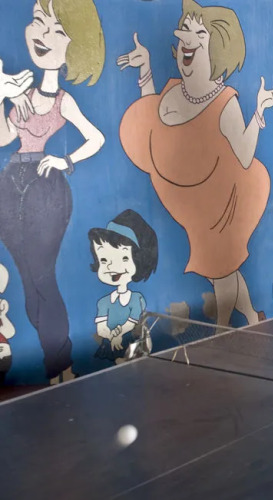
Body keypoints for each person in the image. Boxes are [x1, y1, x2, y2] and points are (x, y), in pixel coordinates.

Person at [118, 0, 273, 326]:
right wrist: (146, 68)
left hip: (221, 209)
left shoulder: (224, 103)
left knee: (220, 271)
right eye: (184, 33)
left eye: (199, 35)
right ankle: (253, 317)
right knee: (222, 272)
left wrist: (258, 112)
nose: (187, 41)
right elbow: (150, 121)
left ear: (217, 50)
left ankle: (223, 331)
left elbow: (244, 155)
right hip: (194, 209)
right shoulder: (172, 91)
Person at [0, 0, 105, 385]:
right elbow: (4, 137)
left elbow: (96, 138)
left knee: (43, 277)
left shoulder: (63, 100)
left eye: (56, 30)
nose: (42, 35)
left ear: (72, 47)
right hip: (10, 187)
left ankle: (61, 364)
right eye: (38, 22)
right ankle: (54, 364)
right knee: (29, 281)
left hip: (46, 191)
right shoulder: (20, 96)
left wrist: (65, 160)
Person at [88, 209, 158, 363]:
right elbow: (101, 328)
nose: (111, 266)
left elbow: (133, 322)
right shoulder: (104, 303)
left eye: (124, 258)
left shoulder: (136, 299)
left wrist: (119, 334)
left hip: (133, 348)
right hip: (109, 348)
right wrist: (111, 335)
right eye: (104, 260)